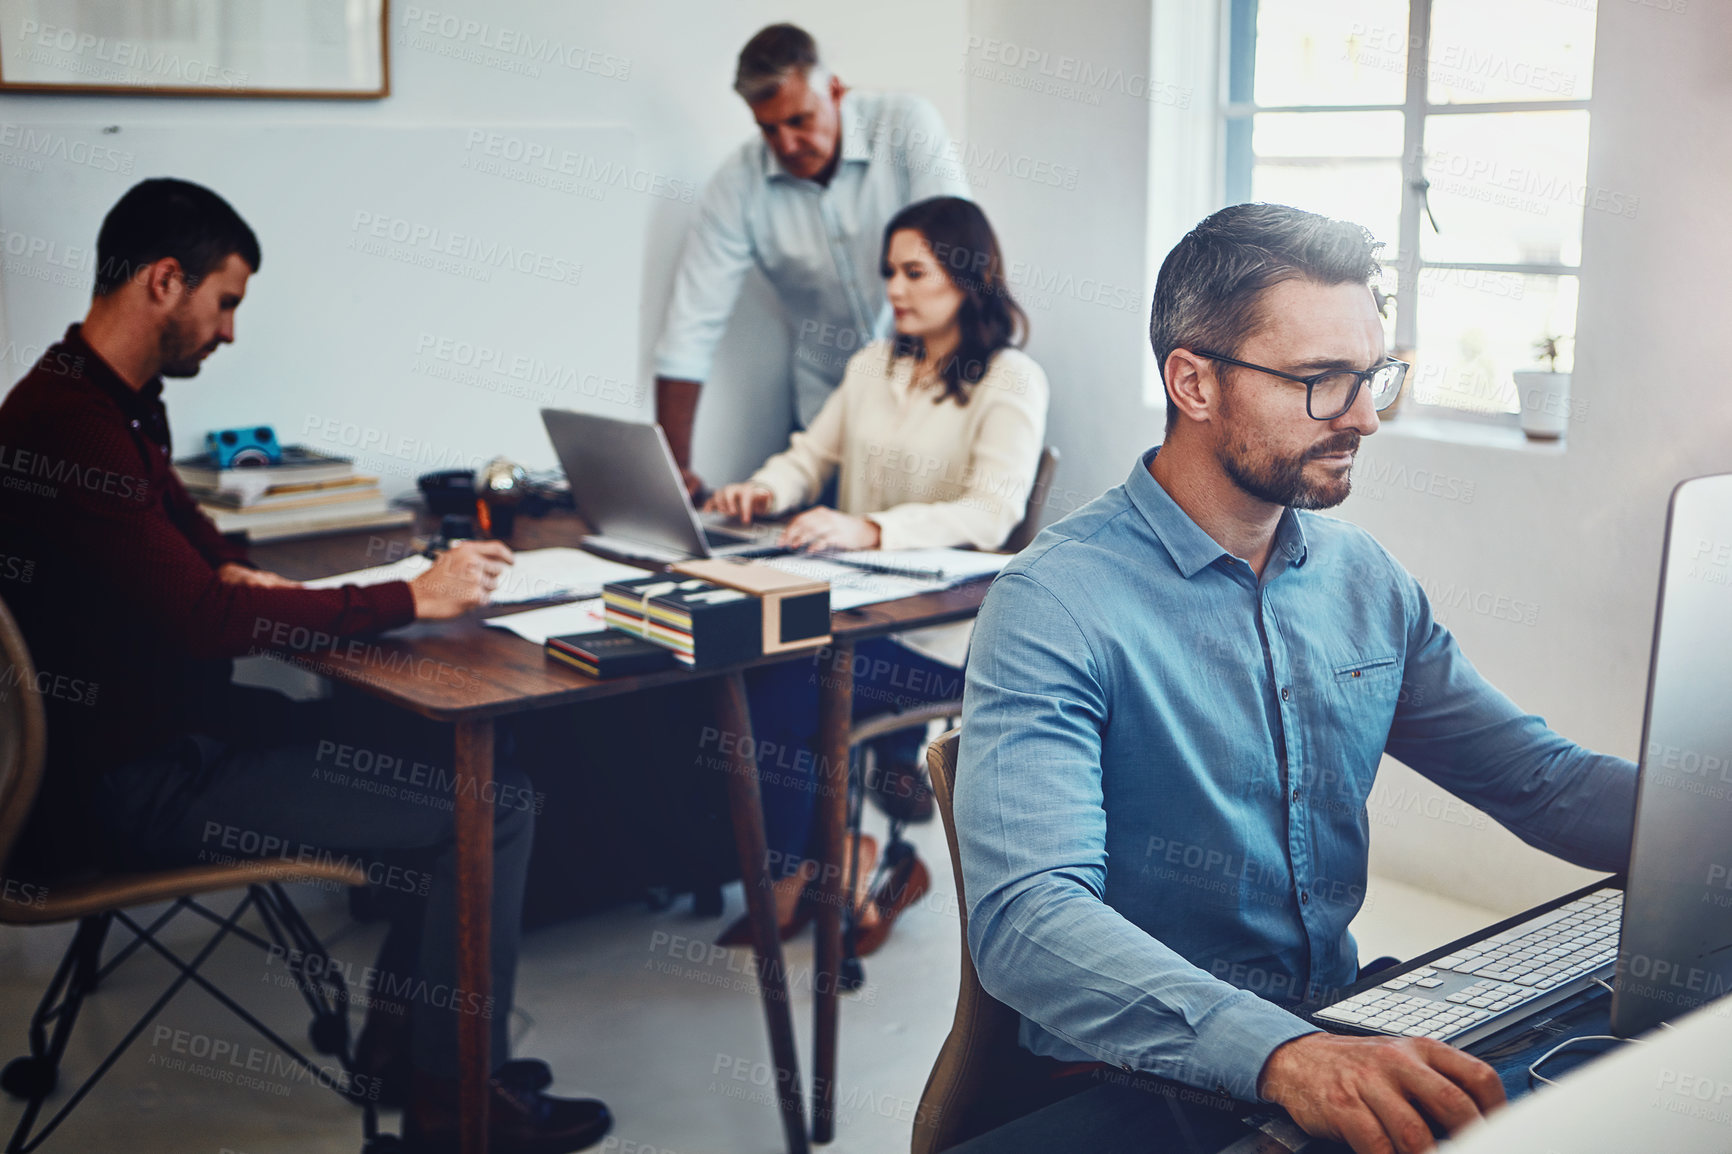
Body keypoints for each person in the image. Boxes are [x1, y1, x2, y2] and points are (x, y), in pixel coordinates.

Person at [953, 203, 1637, 1154]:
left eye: (1371, 377)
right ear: (1192, 381)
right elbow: (1030, 921)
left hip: (1338, 1025)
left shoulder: (1364, 581)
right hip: (1141, 1073)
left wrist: (1703, 826)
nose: (1363, 416)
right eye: (1320, 381)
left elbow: (1541, 782)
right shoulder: (1053, 603)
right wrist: (1283, 1054)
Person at [0, 179, 610, 1154]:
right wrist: (413, 595)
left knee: (429, 755)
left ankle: (412, 1048)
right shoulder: (72, 428)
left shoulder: (99, 400)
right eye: (227, 300)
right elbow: (206, 611)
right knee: (494, 804)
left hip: (146, 743)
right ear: (167, 280)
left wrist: (262, 575)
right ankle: (457, 1106)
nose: (231, 331)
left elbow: (200, 556)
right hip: (133, 783)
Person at [706, 195, 1047, 943]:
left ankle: (807, 871)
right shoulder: (871, 365)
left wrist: (867, 528)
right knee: (738, 662)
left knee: (785, 684)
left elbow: (992, 512)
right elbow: (809, 455)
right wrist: (765, 488)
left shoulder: (1011, 379)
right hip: (851, 614)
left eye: (914, 271)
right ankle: (824, 859)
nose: (894, 288)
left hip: (946, 640)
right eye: (888, 271)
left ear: (966, 275)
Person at [654, 22, 971, 497]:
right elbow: (690, 330)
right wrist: (672, 476)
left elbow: (961, 262)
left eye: (799, 120)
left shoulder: (906, 126)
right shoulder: (738, 184)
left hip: (937, 409)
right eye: (768, 128)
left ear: (836, 90)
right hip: (827, 420)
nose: (785, 145)